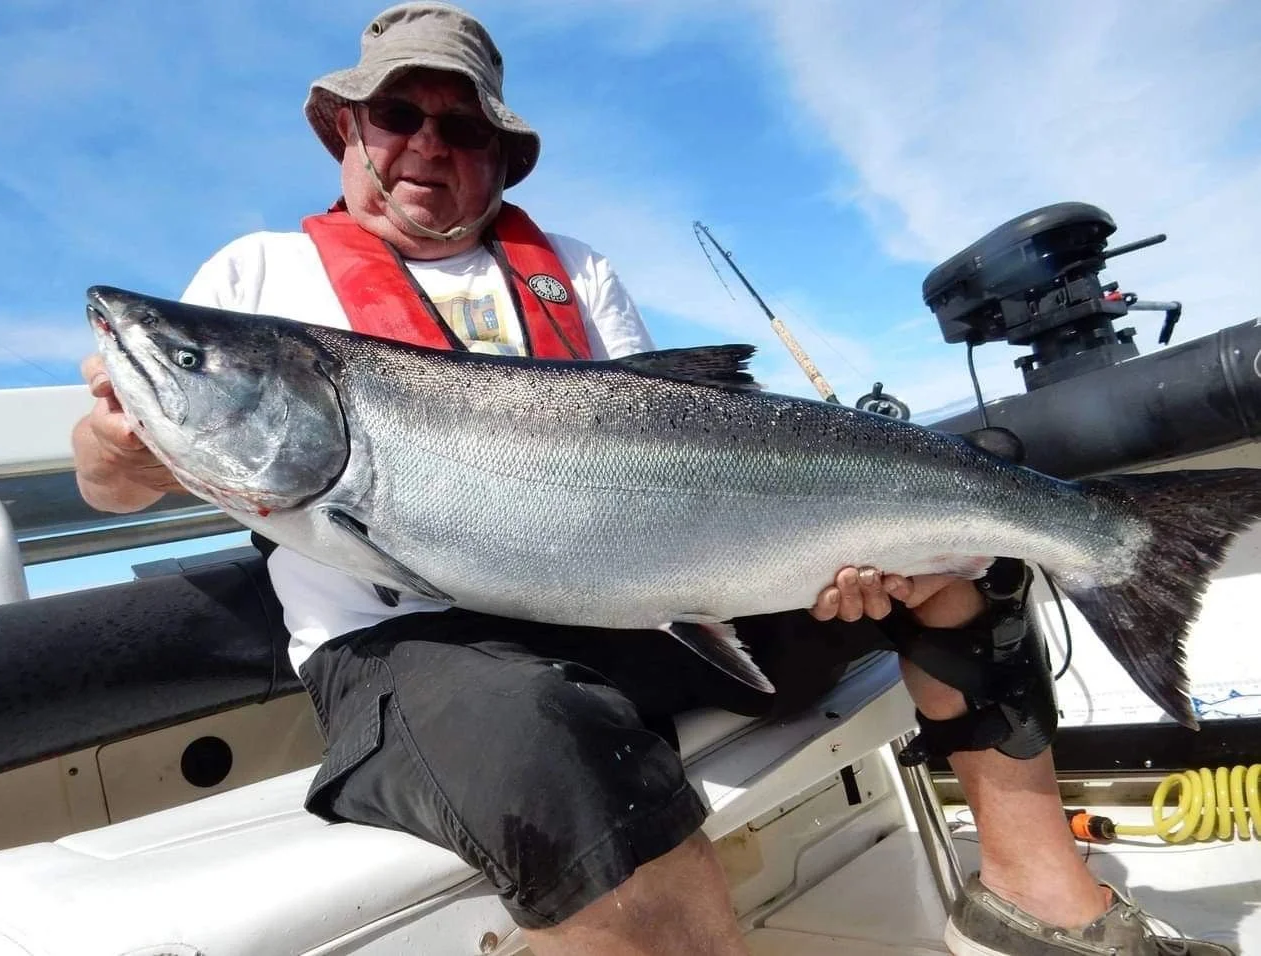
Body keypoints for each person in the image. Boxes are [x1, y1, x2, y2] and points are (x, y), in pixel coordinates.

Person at [70, 4, 1231, 955]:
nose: (428, 142)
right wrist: (125, 448)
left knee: (957, 566)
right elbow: (108, 486)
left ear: (499, 151)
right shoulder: (256, 273)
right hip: (415, 644)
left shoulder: (580, 270)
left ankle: (1041, 891)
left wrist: (822, 558)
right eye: (398, 113)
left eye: (459, 125)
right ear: (347, 131)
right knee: (546, 735)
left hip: (633, 602)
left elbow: (683, 445)